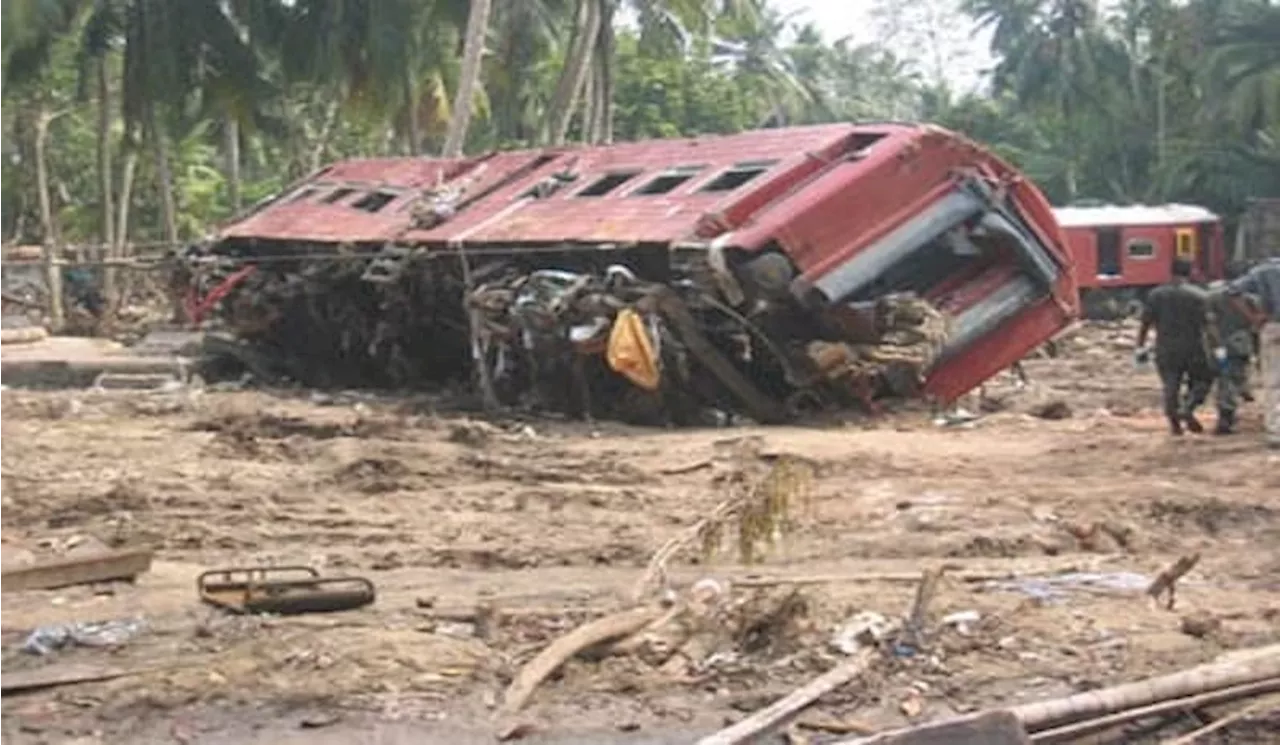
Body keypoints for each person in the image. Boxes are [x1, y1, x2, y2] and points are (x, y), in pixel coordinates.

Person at [1135, 259, 1214, 435]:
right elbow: (1208, 325)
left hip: (1165, 346)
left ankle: (1174, 423)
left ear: (1170, 271)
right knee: (1203, 380)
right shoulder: (1199, 295)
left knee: (1170, 385)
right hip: (1194, 347)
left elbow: (1145, 323)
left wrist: (1140, 346)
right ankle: (1188, 407)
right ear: (1191, 272)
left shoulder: (1155, 295)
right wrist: (1218, 347)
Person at [1228, 260, 1280, 446]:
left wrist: (1254, 317)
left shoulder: (1264, 270)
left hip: (1273, 326)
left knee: (1274, 382)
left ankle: (1276, 432)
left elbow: (1233, 291)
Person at [1206, 281, 1267, 434]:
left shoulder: (1211, 298)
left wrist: (1216, 345)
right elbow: (1257, 325)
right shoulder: (1250, 299)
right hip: (1241, 344)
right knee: (1234, 377)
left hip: (1221, 345)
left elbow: (1209, 324)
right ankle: (1230, 411)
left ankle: (1226, 417)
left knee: (1225, 378)